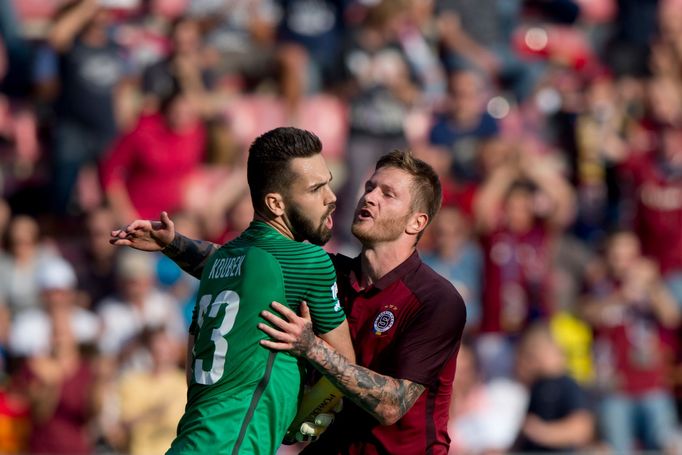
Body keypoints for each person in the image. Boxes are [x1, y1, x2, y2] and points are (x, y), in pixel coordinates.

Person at [115, 150, 467, 453]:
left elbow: (392, 405)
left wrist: (312, 348)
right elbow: (246, 270)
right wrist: (172, 244)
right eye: (370, 187)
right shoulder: (329, 271)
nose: (370, 197)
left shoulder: (436, 301)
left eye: (388, 194)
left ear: (417, 222)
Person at [111, 127, 354, 454]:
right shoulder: (307, 260)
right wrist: (303, 410)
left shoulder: (220, 263)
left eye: (328, 183)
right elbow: (345, 370)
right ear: (275, 203)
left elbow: (190, 368)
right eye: (315, 189)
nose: (331, 196)